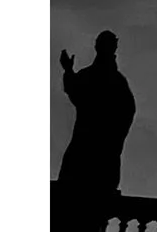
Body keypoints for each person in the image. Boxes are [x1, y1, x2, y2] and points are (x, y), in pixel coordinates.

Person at [57, 30, 135, 196]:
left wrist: (113, 132)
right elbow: (75, 91)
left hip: (103, 144)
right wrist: (69, 71)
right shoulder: (91, 75)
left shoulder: (116, 81)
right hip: (85, 139)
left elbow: (127, 110)